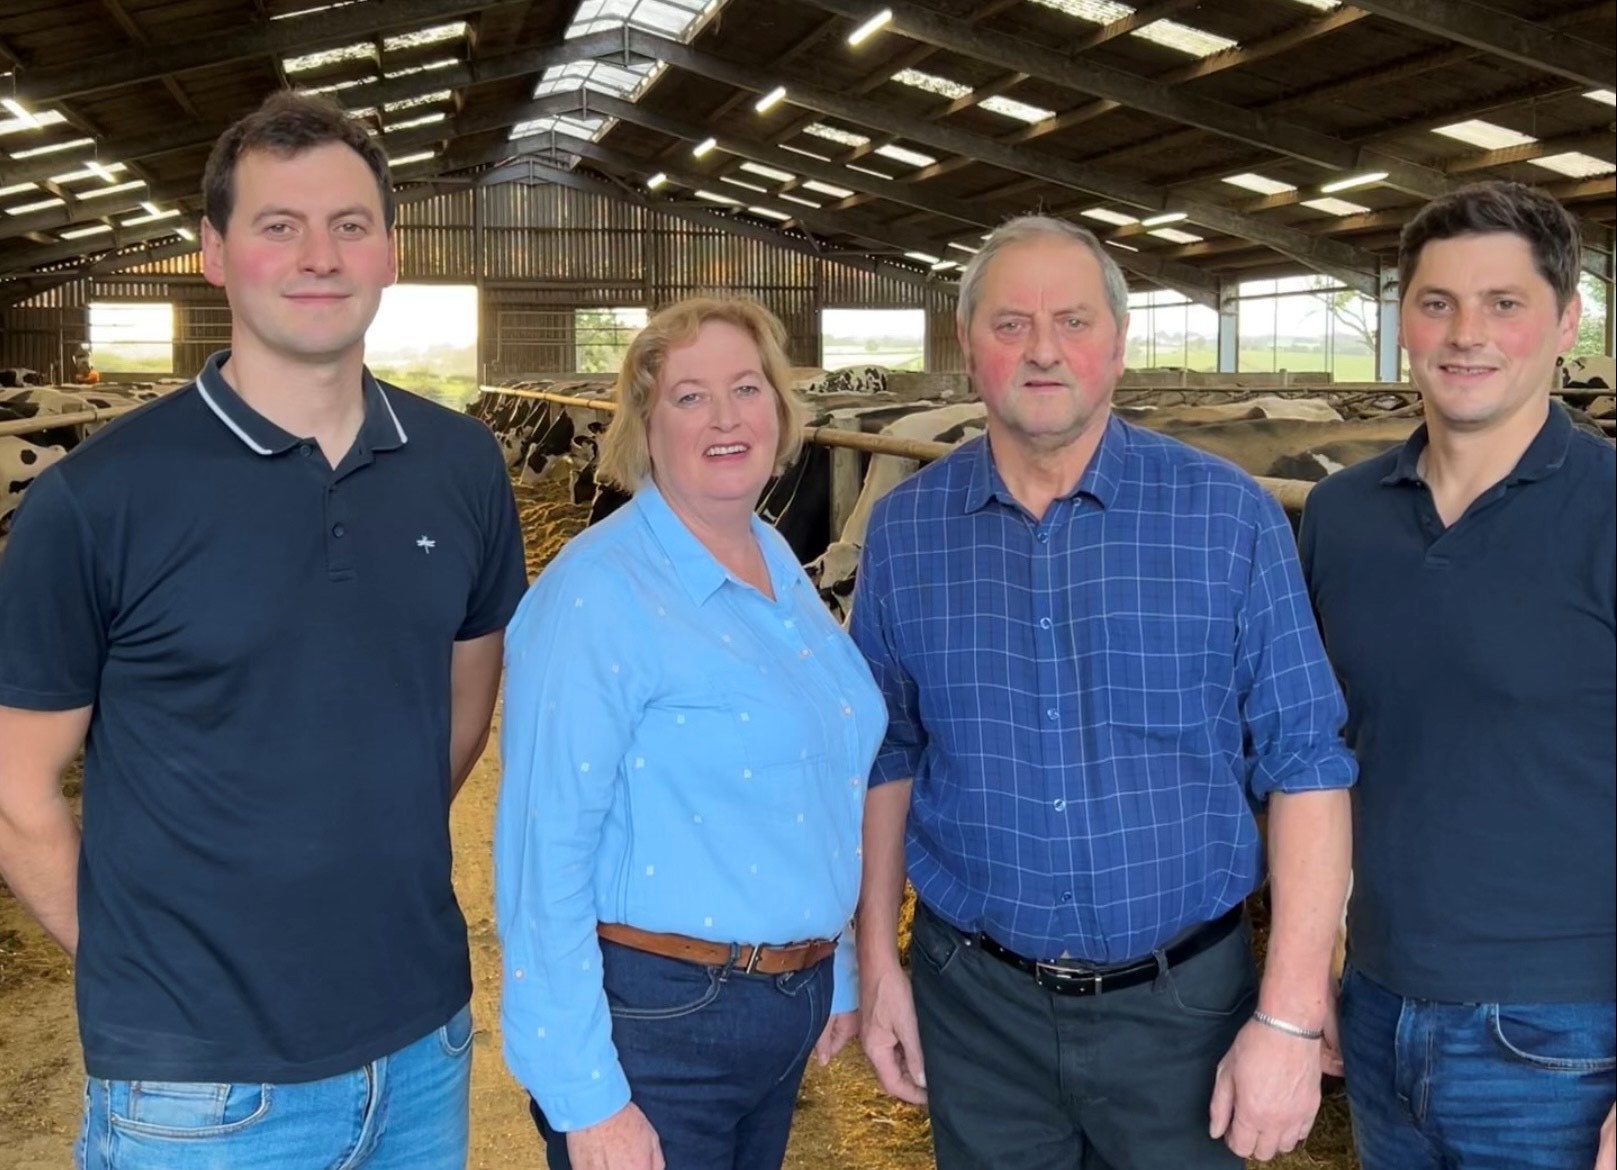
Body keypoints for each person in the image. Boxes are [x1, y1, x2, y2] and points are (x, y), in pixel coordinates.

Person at [0, 90, 527, 1169]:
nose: (318, 256)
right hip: (195, 1096)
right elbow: (15, 789)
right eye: (277, 226)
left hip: (420, 1048)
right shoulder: (98, 498)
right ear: (213, 254)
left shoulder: (460, 466)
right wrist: (137, 966)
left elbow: (463, 706)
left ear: (389, 253)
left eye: (349, 226)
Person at [848, 214, 1357, 1169]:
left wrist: (1288, 1015)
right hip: (975, 1004)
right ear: (967, 345)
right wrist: (878, 961)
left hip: (1184, 1009)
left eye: (1073, 321)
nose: (1042, 349)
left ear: (1118, 344)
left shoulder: (1228, 516)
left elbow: (1307, 761)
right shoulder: (906, 529)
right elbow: (888, 750)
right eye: (1010, 324)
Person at [494, 296, 885, 1170]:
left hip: (778, 1003)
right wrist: (585, 1095)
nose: (725, 417)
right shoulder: (597, 594)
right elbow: (540, 854)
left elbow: (816, 782)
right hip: (659, 1025)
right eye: (689, 396)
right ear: (643, 423)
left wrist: (836, 968)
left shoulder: (774, 557)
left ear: (781, 411)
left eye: (747, 388)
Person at [1300, 181, 1615, 1170]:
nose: (1465, 333)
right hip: (1382, 1008)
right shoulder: (1341, 517)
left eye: (1505, 303)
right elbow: (1325, 757)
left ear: (1566, 321)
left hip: (1568, 1037)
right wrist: (1313, 975)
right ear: (1403, 323)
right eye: (1438, 303)